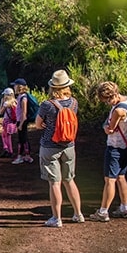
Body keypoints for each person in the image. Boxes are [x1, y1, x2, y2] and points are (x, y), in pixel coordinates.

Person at [35, 69, 84, 227]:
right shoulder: (74, 102)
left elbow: (37, 124)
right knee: (69, 180)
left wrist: (47, 125)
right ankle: (78, 214)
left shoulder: (47, 105)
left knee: (54, 183)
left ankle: (57, 218)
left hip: (50, 146)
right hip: (69, 145)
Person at [88, 81, 127, 221]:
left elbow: (110, 129)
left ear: (108, 97)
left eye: (105, 100)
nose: (106, 103)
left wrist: (105, 127)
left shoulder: (118, 110)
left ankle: (103, 212)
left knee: (110, 180)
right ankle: (124, 208)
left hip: (115, 147)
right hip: (126, 146)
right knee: (121, 177)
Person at [12, 78, 34, 164]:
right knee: (24, 139)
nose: (14, 87)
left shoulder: (23, 98)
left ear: (19, 87)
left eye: (15, 85)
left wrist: (21, 124)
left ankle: (21, 156)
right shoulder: (20, 97)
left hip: (22, 121)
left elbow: (24, 112)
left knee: (22, 140)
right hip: (20, 120)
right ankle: (27, 156)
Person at [0, 87, 17, 158]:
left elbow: (0, 112)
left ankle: (8, 150)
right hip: (13, 121)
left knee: (5, 136)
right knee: (7, 135)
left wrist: (2, 103)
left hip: (7, 121)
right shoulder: (15, 101)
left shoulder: (6, 103)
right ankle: (8, 149)